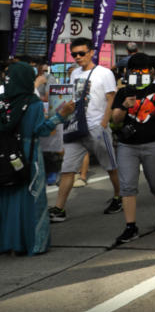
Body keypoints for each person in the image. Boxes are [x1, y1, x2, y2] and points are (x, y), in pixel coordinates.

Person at [1, 62, 74, 254]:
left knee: (8, 197)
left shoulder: (3, 101)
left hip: (5, 155)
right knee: (33, 198)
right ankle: (35, 243)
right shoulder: (32, 104)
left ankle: (8, 242)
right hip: (28, 153)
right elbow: (41, 129)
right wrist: (61, 115)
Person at [49, 37, 123, 222]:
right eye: (74, 54)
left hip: (96, 127)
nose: (78, 57)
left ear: (91, 52)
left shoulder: (104, 73)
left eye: (82, 53)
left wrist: (104, 123)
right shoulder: (74, 74)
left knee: (110, 166)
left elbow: (111, 98)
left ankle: (119, 196)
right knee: (67, 169)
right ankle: (59, 208)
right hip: (75, 127)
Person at [110, 54, 155, 244]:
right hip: (127, 145)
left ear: (150, 71)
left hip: (153, 142)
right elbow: (116, 119)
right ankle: (131, 226)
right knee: (127, 185)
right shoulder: (123, 92)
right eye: (135, 70)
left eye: (143, 70)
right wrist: (124, 105)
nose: (139, 73)